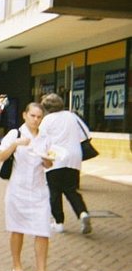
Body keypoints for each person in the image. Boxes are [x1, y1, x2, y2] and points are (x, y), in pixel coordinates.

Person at [0, 102, 52, 271]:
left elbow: (49, 163)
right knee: (17, 229)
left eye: (39, 117)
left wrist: (47, 160)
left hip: (39, 191)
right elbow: (0, 157)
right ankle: (16, 264)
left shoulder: (45, 137)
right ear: (24, 115)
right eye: (32, 116)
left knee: (43, 230)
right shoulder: (15, 134)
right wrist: (15, 144)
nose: (35, 120)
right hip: (18, 190)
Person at [39, 93, 92, 235]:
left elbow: (41, 140)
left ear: (46, 107)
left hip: (54, 158)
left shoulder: (47, 120)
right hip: (73, 158)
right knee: (71, 189)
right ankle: (82, 213)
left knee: (54, 191)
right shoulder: (72, 116)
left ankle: (59, 223)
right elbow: (86, 134)